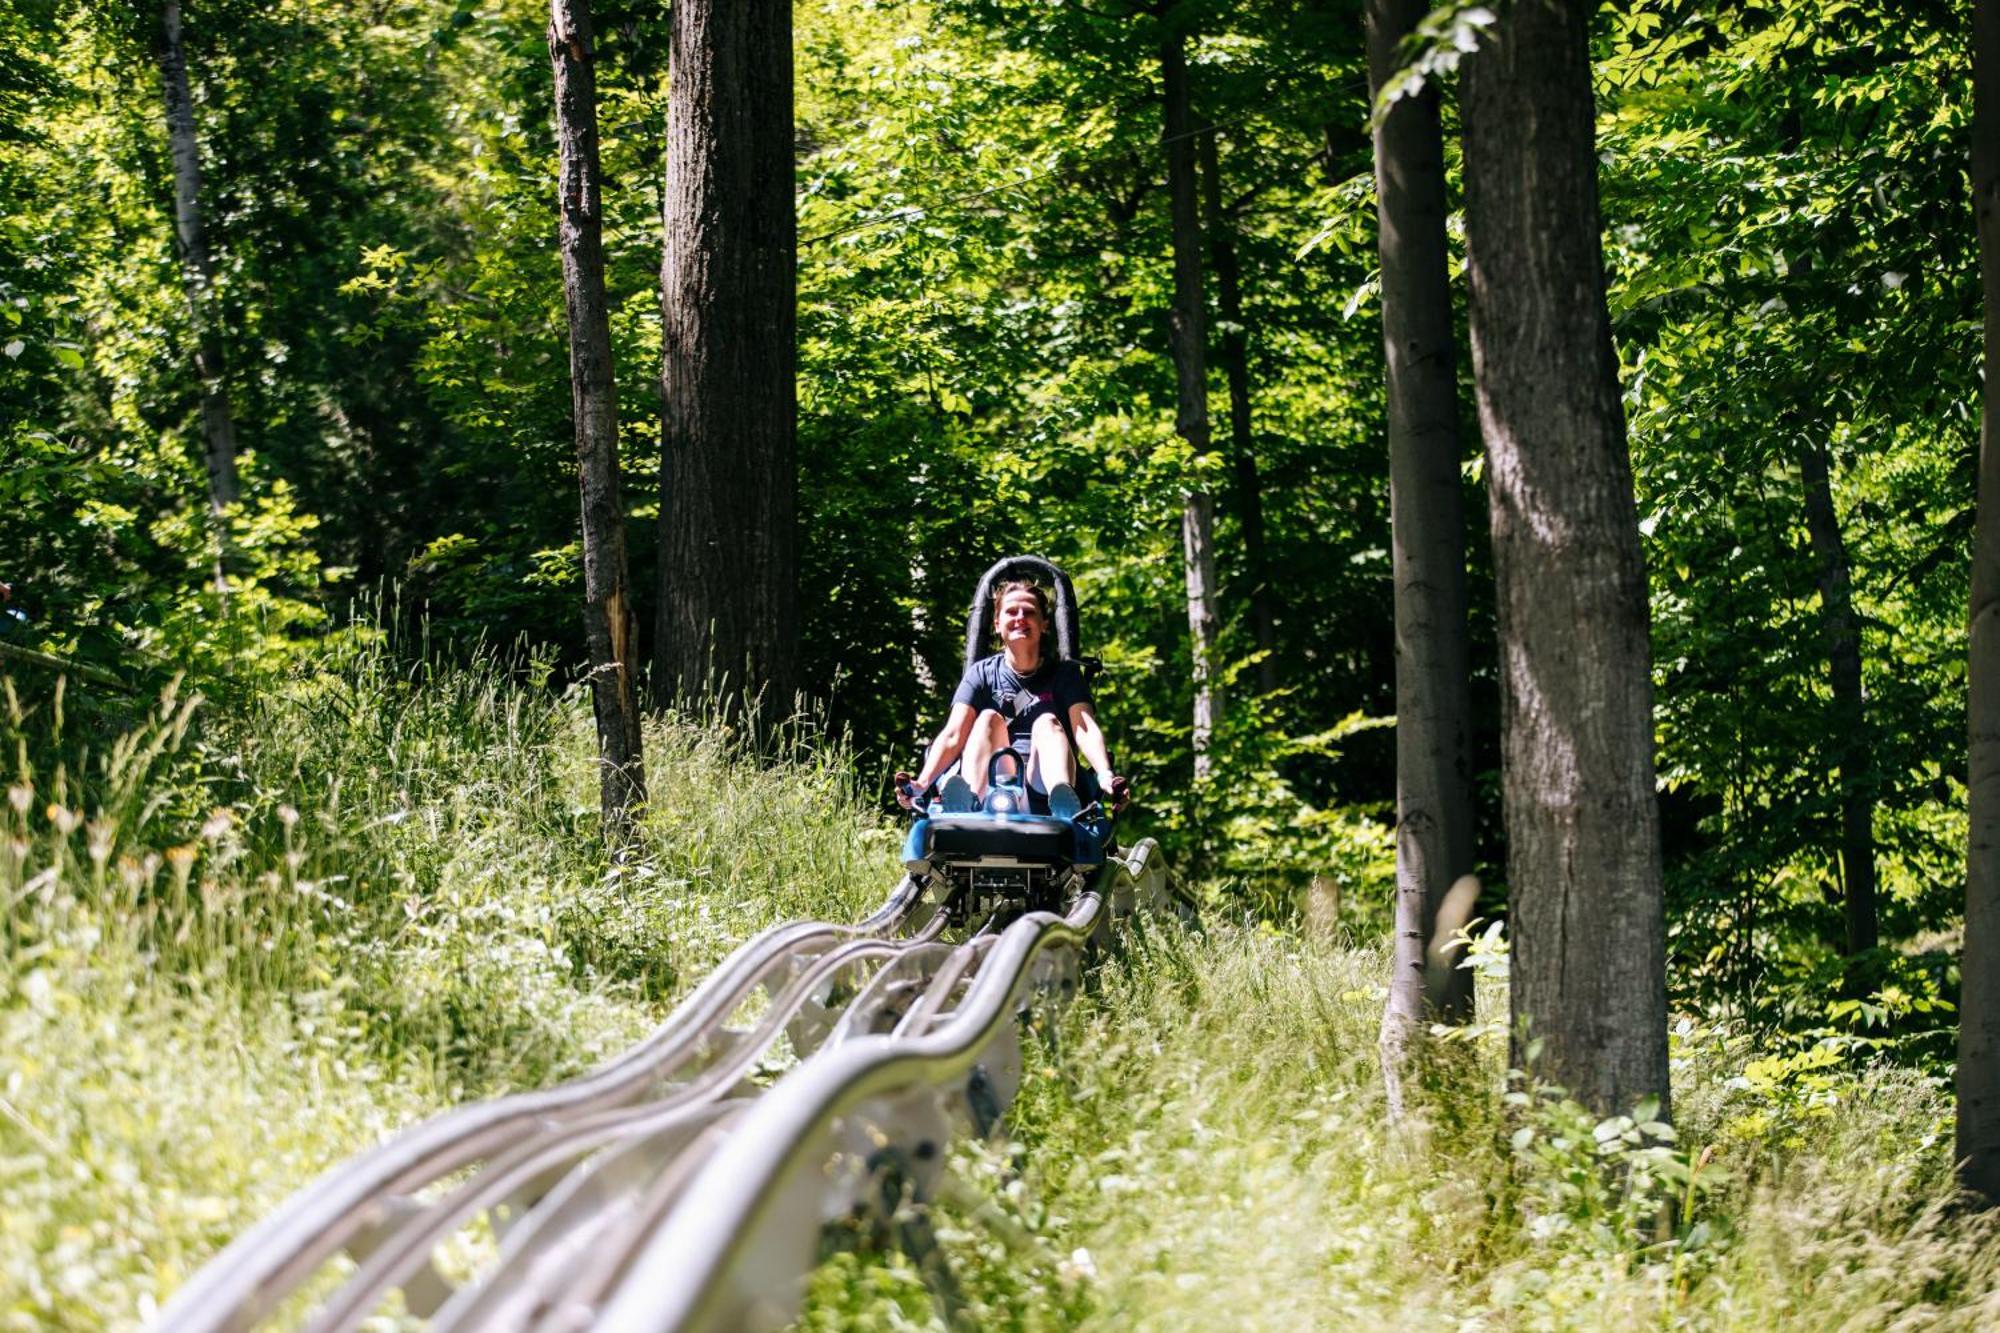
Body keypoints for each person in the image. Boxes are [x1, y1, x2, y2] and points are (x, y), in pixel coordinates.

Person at [896, 579, 1128, 820]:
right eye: (1011, 612)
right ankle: (970, 803)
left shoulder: (1065, 675)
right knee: (987, 718)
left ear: (1044, 624)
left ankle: (1062, 805)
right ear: (997, 623)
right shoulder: (981, 674)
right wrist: (921, 784)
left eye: (1029, 612)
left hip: (1042, 783)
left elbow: (1085, 729)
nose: (1020, 618)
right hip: (995, 785)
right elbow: (953, 734)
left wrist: (1105, 775)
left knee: (1047, 721)